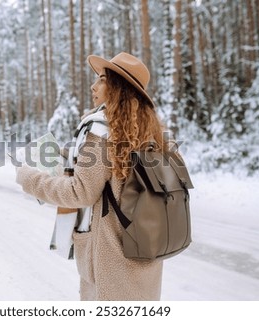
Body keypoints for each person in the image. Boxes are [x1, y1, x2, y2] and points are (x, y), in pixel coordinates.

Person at [15, 52, 167, 300]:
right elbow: (111, 173)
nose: (93, 86)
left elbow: (80, 192)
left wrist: (28, 177)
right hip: (144, 257)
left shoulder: (102, 129)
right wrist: (68, 156)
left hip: (111, 263)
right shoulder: (149, 131)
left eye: (102, 79)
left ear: (118, 87)